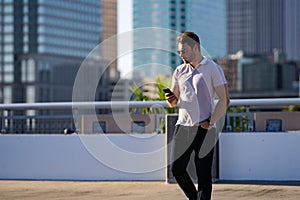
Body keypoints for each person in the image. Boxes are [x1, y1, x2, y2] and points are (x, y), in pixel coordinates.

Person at [165, 32, 230, 200]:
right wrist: (170, 99)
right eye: (179, 52)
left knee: (203, 176)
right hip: (183, 127)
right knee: (176, 169)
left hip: (205, 129)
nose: (181, 55)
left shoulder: (212, 68)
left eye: (184, 51)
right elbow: (174, 101)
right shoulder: (179, 71)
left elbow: (224, 99)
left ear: (195, 47)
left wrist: (211, 121)